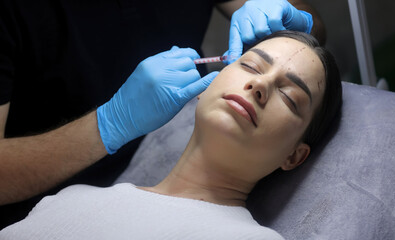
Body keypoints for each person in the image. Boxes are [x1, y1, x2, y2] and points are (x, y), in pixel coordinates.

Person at [0, 0, 325, 228]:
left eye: (289, 95)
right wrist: (109, 124)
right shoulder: (67, 206)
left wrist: (296, 16)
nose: (259, 84)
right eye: (251, 65)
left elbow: (311, 37)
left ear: (295, 156)